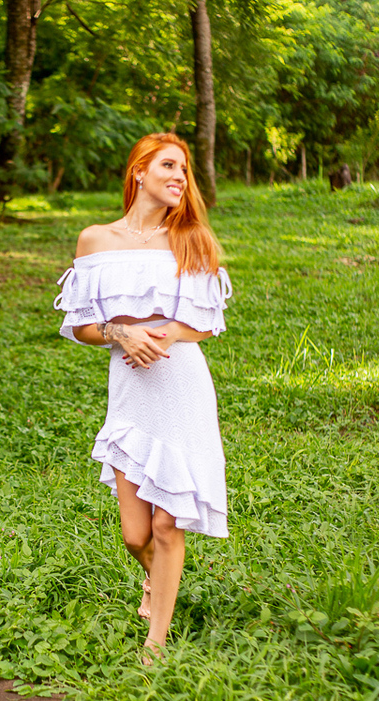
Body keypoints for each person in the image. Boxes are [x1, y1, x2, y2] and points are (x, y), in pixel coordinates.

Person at [54, 132, 231, 661]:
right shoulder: (96, 240)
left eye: (185, 171)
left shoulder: (191, 236)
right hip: (129, 383)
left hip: (180, 382)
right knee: (136, 533)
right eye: (169, 166)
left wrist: (168, 334)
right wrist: (120, 333)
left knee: (166, 521)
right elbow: (80, 325)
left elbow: (206, 323)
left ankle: (156, 643)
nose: (180, 177)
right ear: (139, 172)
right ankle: (158, 582)